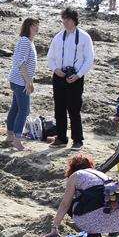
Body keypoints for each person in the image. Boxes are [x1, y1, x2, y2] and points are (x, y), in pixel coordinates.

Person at [47, 155, 119, 237]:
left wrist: (55, 227)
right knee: (105, 198)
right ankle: (114, 230)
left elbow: (65, 204)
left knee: (72, 203)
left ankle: (92, 232)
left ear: (72, 167)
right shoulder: (101, 174)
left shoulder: (75, 175)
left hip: (99, 211)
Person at [47, 8, 94, 148]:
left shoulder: (84, 37)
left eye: (67, 19)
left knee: (74, 109)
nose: (65, 22)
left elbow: (89, 59)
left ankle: (77, 140)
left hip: (76, 78)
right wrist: (56, 69)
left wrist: (78, 74)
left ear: (74, 20)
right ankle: (61, 138)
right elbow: (50, 57)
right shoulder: (58, 37)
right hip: (59, 76)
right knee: (59, 108)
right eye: (63, 20)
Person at [6, 17, 39, 151]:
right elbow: (21, 63)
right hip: (20, 81)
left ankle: (10, 136)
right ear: (28, 27)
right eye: (34, 25)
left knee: (15, 108)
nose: (37, 28)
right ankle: (17, 141)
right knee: (24, 110)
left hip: (16, 80)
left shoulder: (27, 41)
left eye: (37, 25)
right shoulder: (25, 41)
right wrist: (28, 82)